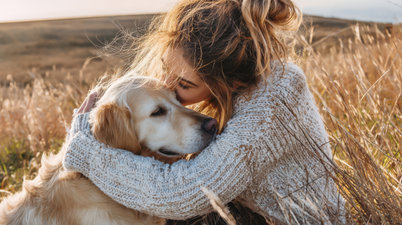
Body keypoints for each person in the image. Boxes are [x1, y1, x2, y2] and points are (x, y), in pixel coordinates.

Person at [64, 0, 346, 224]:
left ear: (230, 83)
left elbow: (182, 194)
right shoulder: (243, 83)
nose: (167, 86)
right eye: (165, 68)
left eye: (184, 84)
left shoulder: (271, 104)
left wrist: (86, 152)